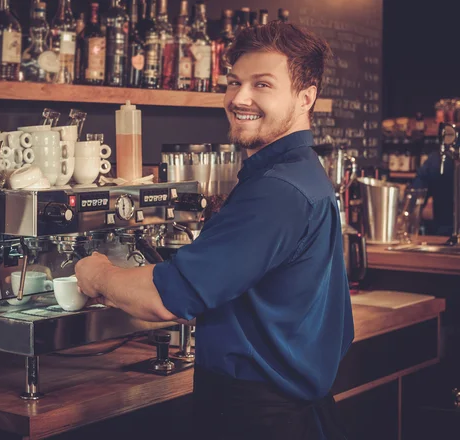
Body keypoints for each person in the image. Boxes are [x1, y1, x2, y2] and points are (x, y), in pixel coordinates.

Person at [75, 21, 353, 440]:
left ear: (306, 96)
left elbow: (166, 299)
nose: (240, 98)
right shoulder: (296, 174)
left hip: (260, 418)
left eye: (262, 84)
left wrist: (97, 274)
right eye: (234, 82)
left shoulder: (278, 191)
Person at [411, 151, 454, 236]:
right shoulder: (436, 160)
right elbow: (416, 197)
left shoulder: (436, 159)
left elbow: (415, 200)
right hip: (442, 232)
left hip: (442, 230)